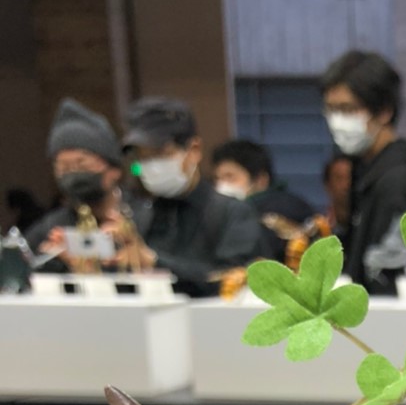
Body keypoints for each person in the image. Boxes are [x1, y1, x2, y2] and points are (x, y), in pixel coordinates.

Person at [122, 97, 265, 297]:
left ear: (194, 150)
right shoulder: (137, 214)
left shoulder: (233, 213)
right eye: (143, 157)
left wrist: (155, 261)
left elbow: (233, 280)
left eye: (161, 153)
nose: (152, 165)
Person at [319, 50, 406, 294]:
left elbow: (386, 278)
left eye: (347, 109)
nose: (337, 121)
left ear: (384, 111)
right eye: (331, 110)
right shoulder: (363, 171)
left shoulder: (394, 181)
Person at [24, 99, 136, 272]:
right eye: (64, 168)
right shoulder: (52, 228)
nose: (74, 174)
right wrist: (56, 263)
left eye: (82, 164)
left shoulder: (148, 218)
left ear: (114, 170)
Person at [211, 138, 315, 262]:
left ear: (261, 180)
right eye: (217, 179)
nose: (221, 185)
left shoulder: (285, 209)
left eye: (230, 177)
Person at [322, 153, 352, 237]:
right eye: (339, 178)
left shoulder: (369, 225)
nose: (346, 185)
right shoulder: (321, 230)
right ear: (328, 185)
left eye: (350, 178)